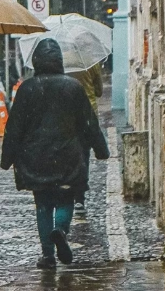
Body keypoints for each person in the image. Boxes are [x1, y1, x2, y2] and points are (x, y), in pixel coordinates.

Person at [0, 38, 109, 269]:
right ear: (59, 60)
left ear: (37, 61)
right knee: (65, 198)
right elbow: (89, 123)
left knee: (42, 204)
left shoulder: (27, 88)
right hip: (67, 155)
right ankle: (60, 229)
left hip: (35, 157)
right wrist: (101, 149)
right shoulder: (73, 87)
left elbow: (14, 128)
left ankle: (47, 255)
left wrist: (6, 158)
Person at [68, 62, 104, 217]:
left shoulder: (63, 61)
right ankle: (79, 199)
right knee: (84, 156)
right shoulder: (91, 63)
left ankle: (66, 190)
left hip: (67, 115)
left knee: (66, 155)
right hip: (89, 116)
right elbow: (99, 91)